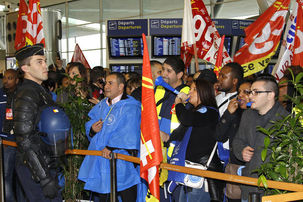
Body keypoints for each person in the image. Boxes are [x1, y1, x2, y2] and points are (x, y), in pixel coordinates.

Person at [78, 72, 141, 202]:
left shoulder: (131, 106)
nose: (106, 86)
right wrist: (92, 129)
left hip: (121, 158)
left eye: (110, 83)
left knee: (127, 193)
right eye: (106, 82)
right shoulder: (102, 104)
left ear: (121, 86)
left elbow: (129, 130)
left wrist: (111, 146)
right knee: (104, 194)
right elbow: (91, 121)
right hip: (101, 158)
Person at [13, 44, 62, 201]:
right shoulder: (27, 93)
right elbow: (24, 139)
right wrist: (44, 178)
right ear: (25, 68)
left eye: (45, 61)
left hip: (46, 164)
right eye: (39, 62)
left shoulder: (39, 91)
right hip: (35, 168)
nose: (45, 66)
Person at [232, 74, 289, 201]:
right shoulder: (247, 115)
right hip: (248, 186)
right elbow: (237, 141)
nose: (250, 96)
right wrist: (241, 151)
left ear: (270, 95)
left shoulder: (285, 120)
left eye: (256, 92)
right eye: (251, 92)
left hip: (272, 190)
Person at [168, 79, 223, 202]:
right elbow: (176, 135)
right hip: (188, 171)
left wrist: (178, 103)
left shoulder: (209, 112)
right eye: (190, 89)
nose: (189, 92)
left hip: (201, 174)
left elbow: (186, 119)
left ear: (204, 93)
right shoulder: (195, 113)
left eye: (194, 89)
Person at [154, 56, 190, 201]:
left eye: (169, 71)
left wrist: (169, 138)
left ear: (180, 75)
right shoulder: (159, 88)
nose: (164, 74)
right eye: (163, 70)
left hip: (174, 152)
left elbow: (186, 125)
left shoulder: (187, 93)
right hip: (156, 148)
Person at [215, 80, 253, 202]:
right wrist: (228, 114)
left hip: (252, 171)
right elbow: (219, 136)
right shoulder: (235, 114)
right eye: (239, 92)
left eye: (246, 92)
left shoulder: (259, 116)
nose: (241, 95)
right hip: (235, 168)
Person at [215, 62, 244, 166]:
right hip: (212, 150)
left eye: (223, 76)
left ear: (234, 81)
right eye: (219, 75)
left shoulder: (240, 103)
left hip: (226, 154)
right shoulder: (217, 97)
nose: (219, 79)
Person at [0, 69, 19, 202]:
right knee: (6, 176)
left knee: (22, 178)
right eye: (4, 78)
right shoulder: (0, 95)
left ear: (17, 80)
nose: (6, 81)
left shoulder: (23, 95)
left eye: (10, 78)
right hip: (6, 143)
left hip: (22, 143)